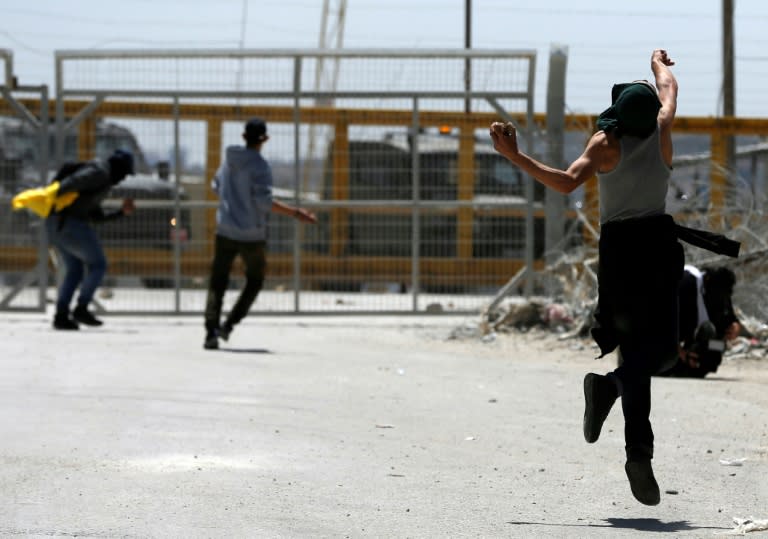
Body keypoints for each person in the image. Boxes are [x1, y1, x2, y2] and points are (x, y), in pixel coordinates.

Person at [490, 49, 739, 506]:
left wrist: (515, 155)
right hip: (657, 251)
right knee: (659, 353)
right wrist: (659, 63)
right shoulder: (662, 130)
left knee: (636, 349)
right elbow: (670, 88)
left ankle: (633, 442)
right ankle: (619, 406)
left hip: (620, 255)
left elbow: (565, 183)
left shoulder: (605, 144)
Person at [204, 118, 317, 350]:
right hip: (251, 234)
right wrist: (296, 213)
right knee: (255, 280)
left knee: (218, 281)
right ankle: (229, 324)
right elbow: (263, 202)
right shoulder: (260, 166)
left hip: (224, 229)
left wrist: (232, 202)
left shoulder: (228, 161)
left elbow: (215, 186)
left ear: (244, 136)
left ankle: (211, 332)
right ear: (264, 139)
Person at [45, 149, 136, 330]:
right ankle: (81, 308)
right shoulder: (99, 172)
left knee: (75, 269)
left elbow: (95, 216)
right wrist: (54, 196)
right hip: (67, 223)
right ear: (118, 167)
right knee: (98, 264)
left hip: (57, 223)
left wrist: (120, 213)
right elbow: (73, 182)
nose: (124, 178)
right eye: (125, 173)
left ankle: (61, 315)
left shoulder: (103, 179)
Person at [664, 264, 741, 377]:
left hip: (690, 340)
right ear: (707, 281)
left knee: (718, 346)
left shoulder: (721, 294)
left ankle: (692, 362)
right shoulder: (685, 283)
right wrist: (678, 350)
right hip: (662, 336)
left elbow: (731, 320)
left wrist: (735, 327)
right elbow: (659, 320)